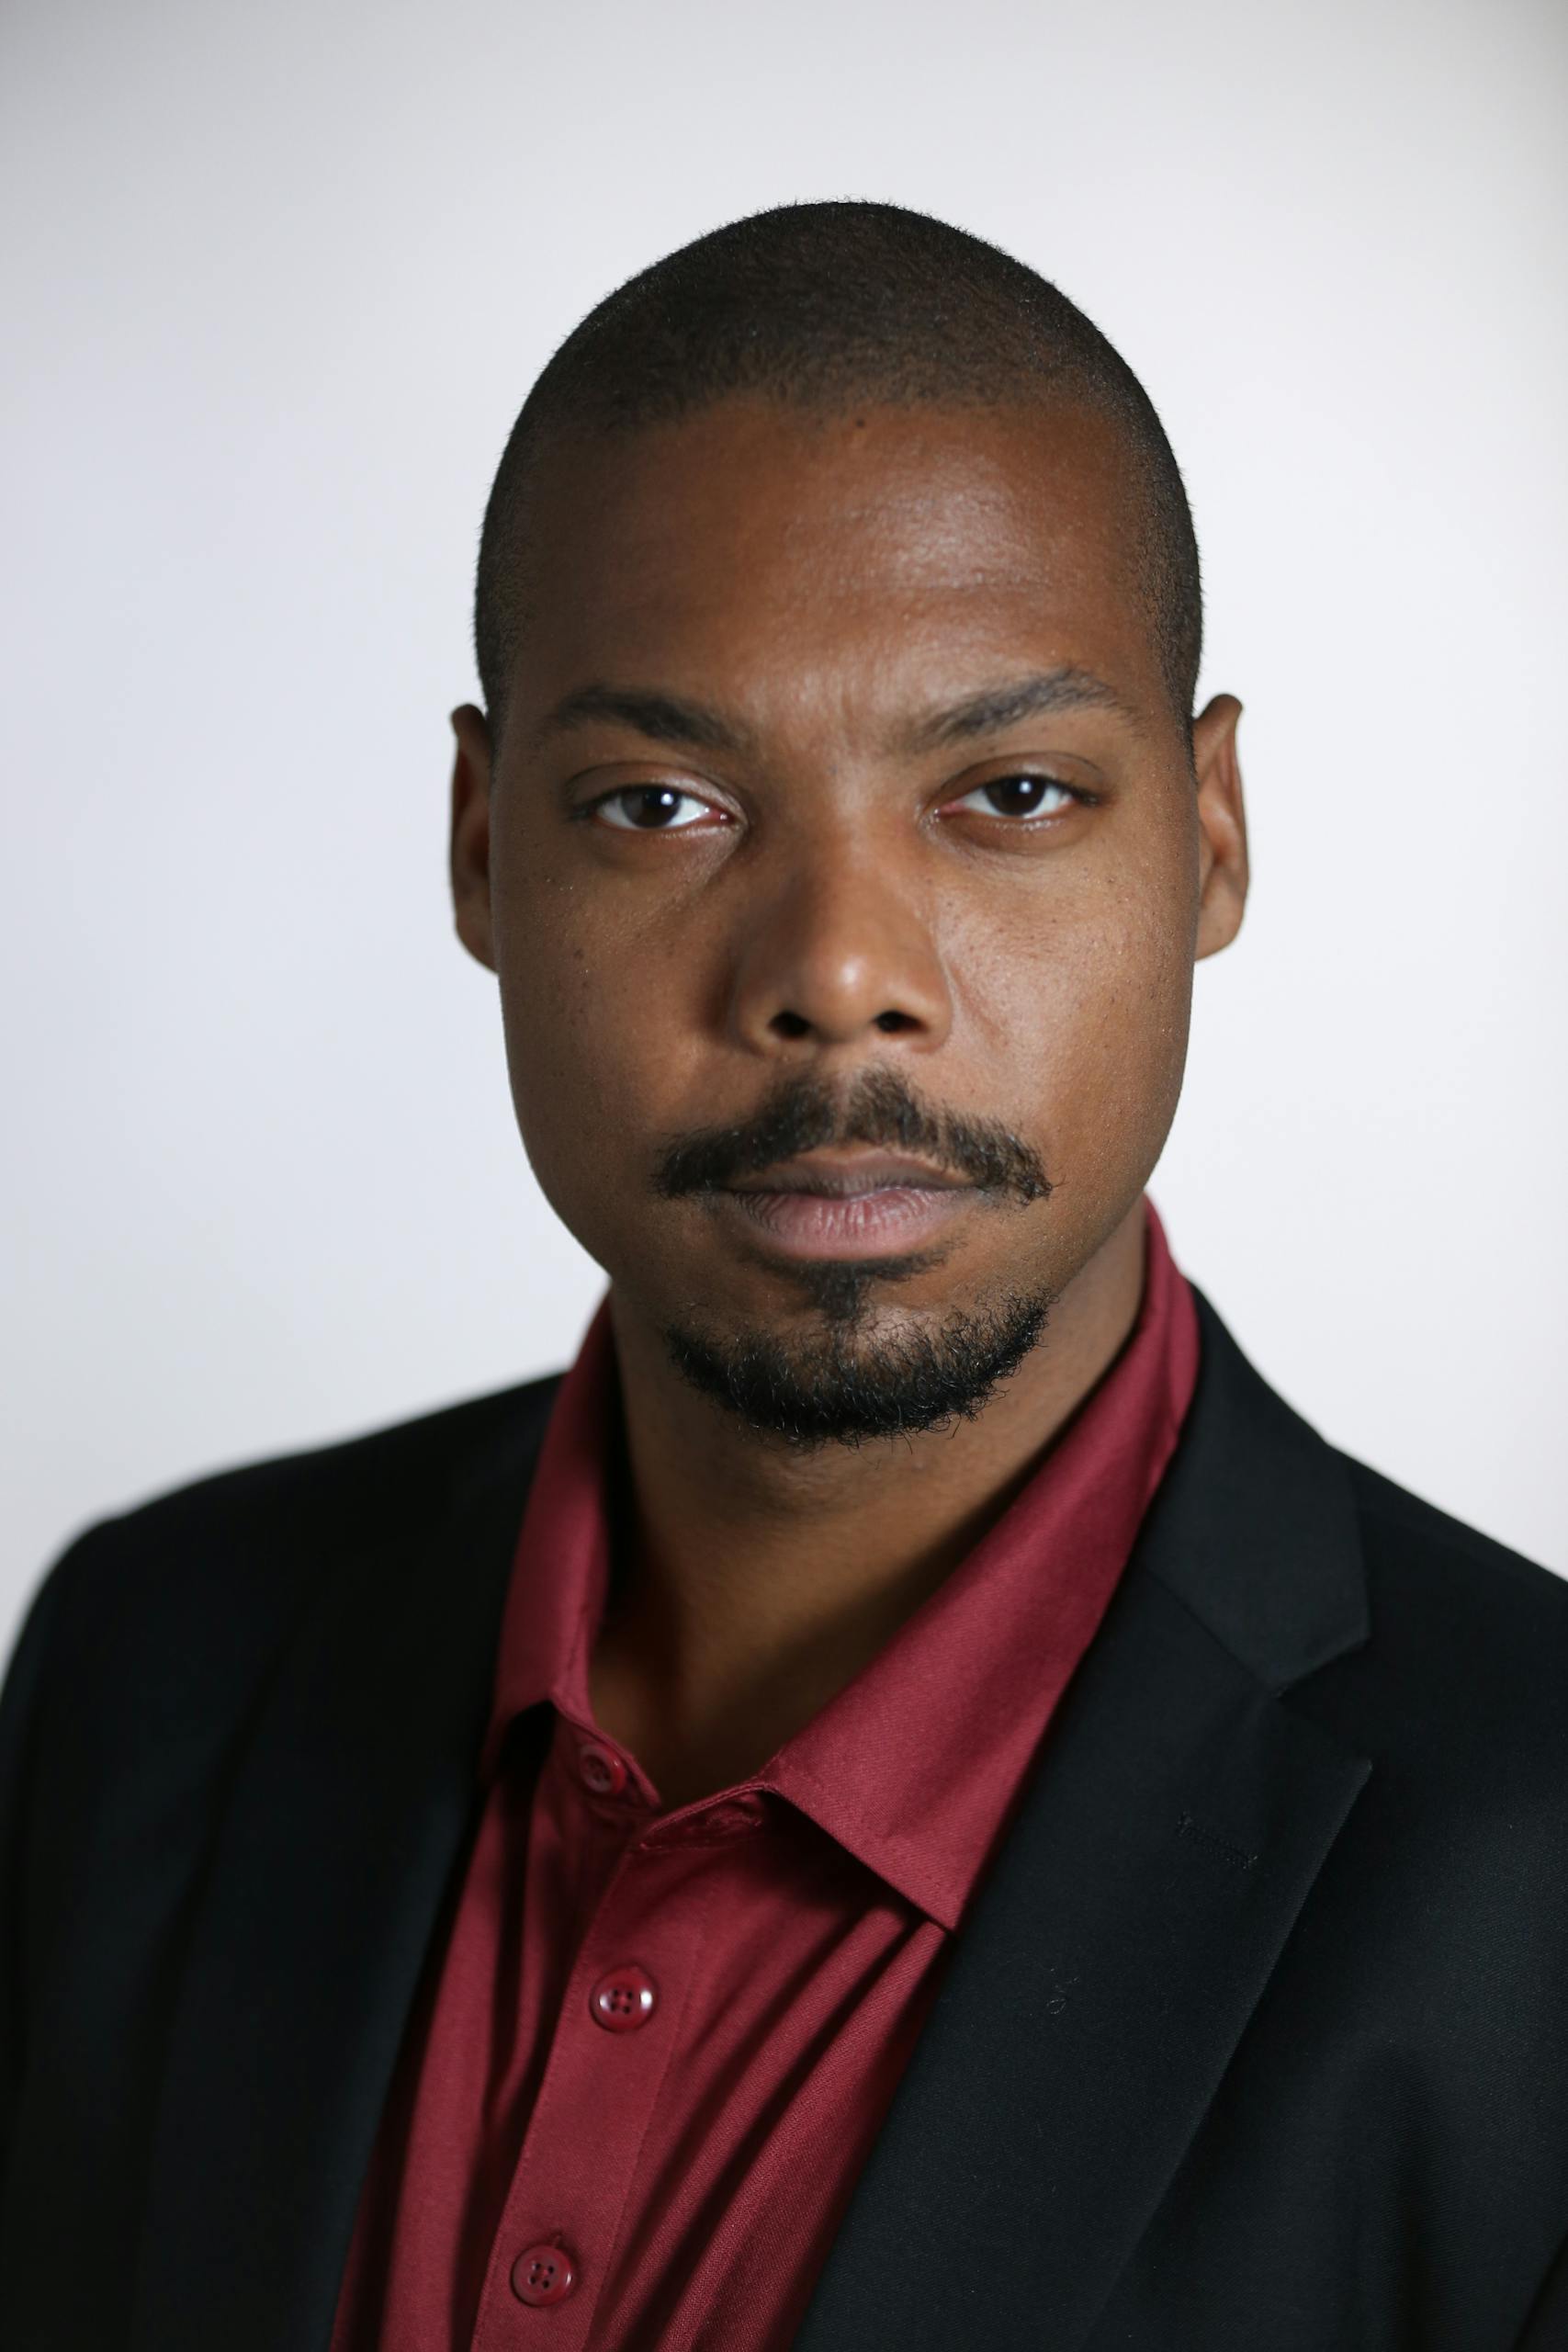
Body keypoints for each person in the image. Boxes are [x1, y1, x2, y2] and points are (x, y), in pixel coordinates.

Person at [1, 200, 1564, 2352]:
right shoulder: (143, 1669)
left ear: (1206, 835)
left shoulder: (1537, 1882)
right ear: (477, 846)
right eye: (660, 801)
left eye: (1007, 791)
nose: (838, 975)